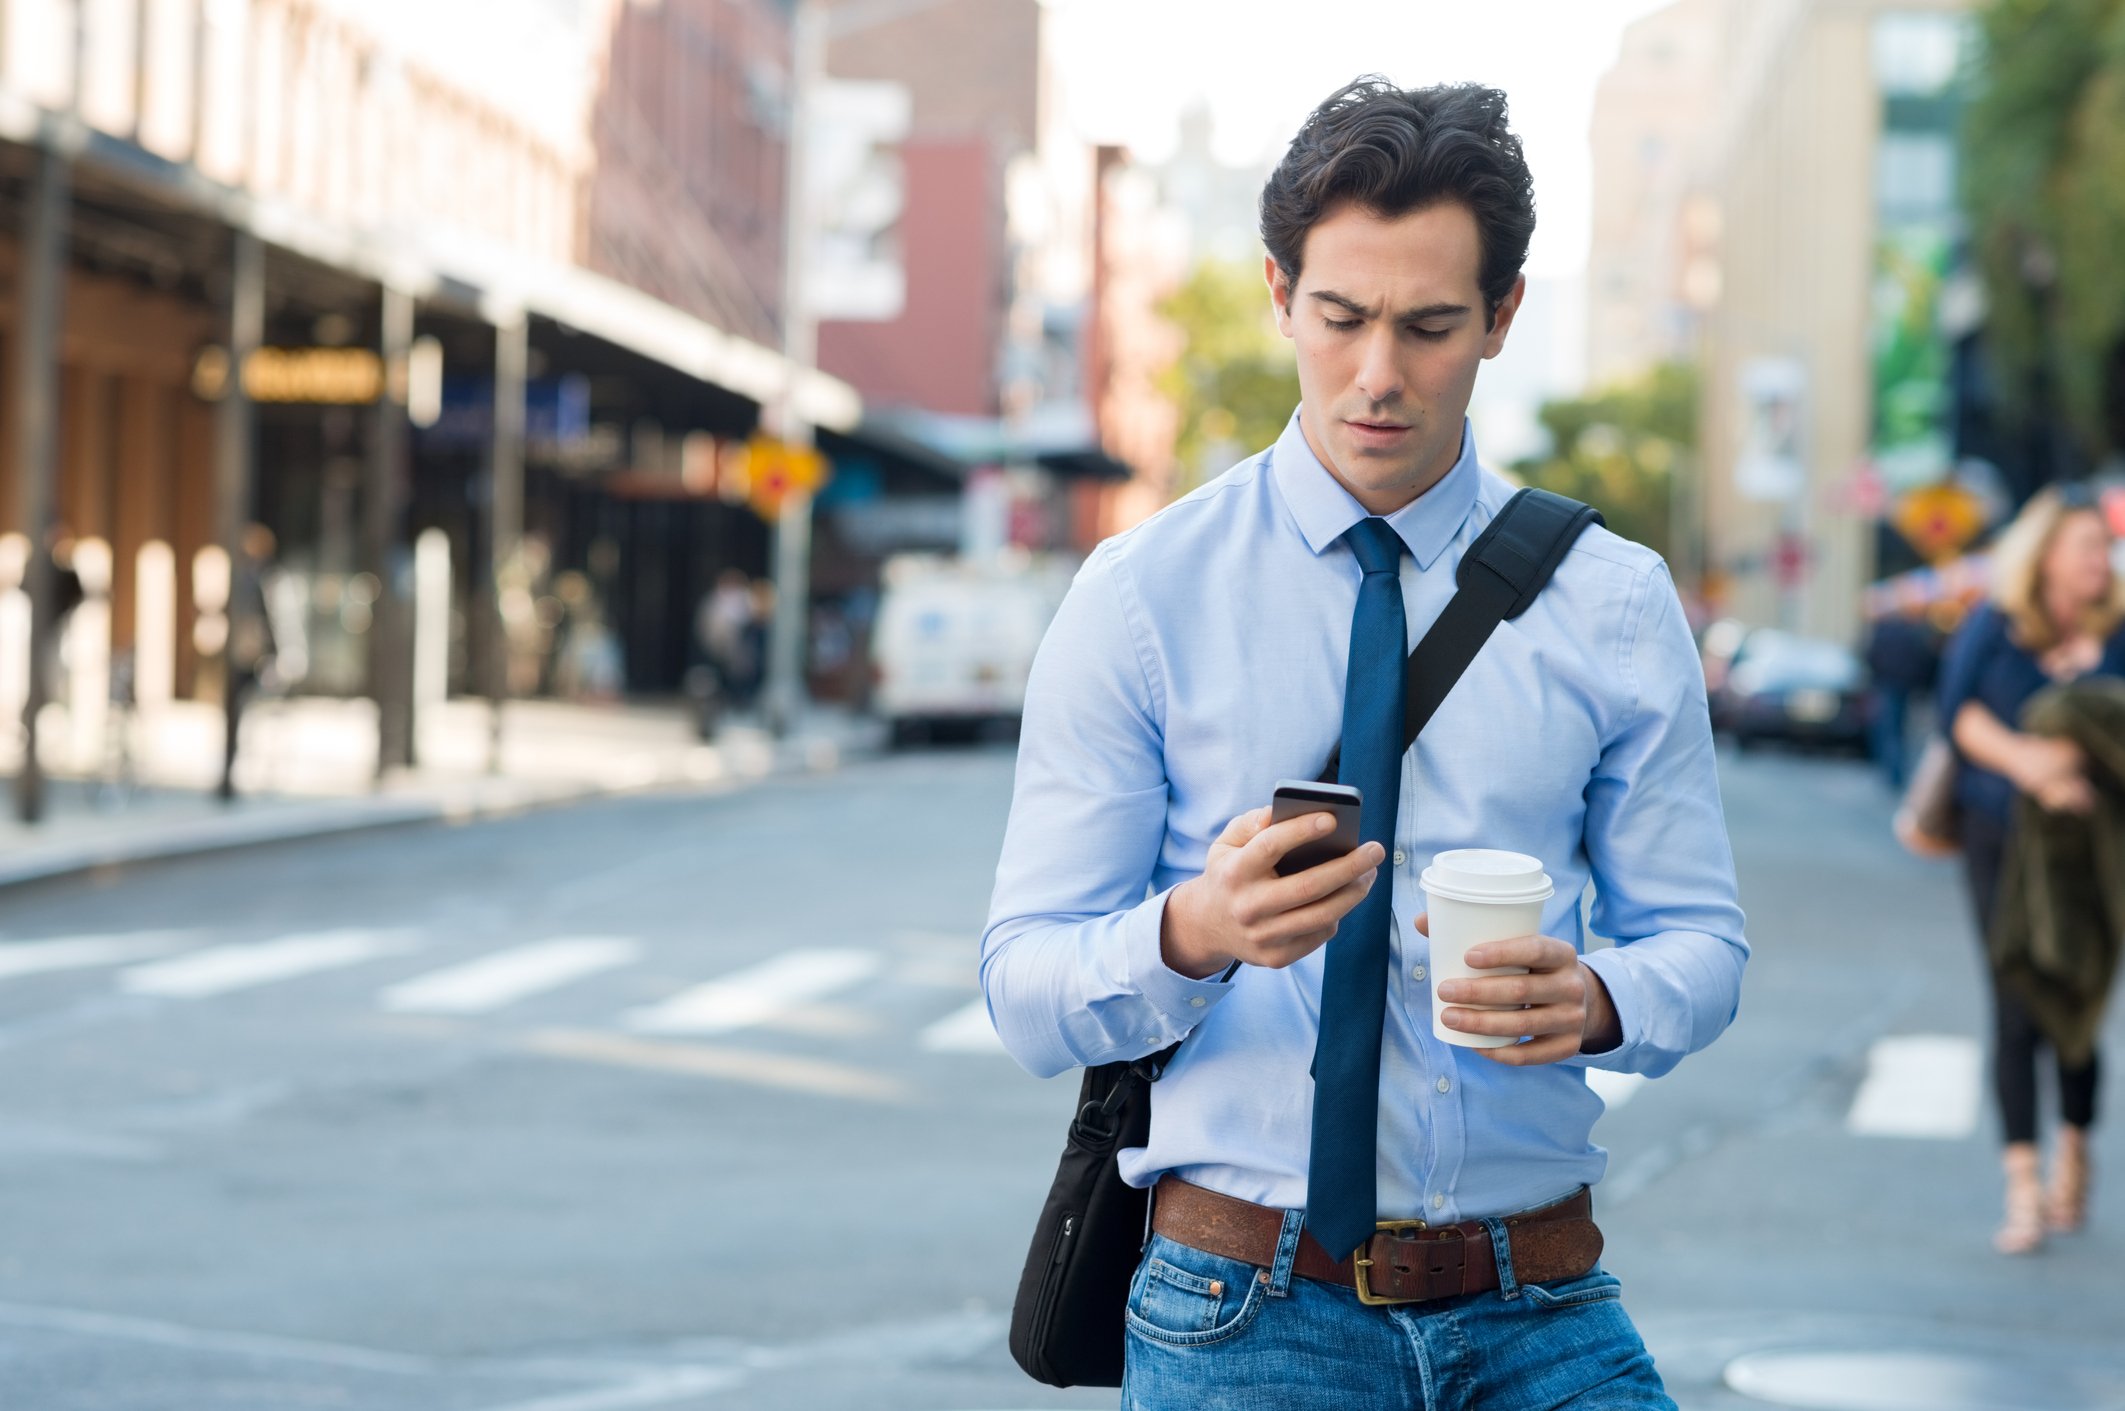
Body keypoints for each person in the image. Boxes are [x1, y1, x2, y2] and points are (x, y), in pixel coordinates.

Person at [982, 79, 1747, 1410]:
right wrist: (1197, 925)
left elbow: (1700, 940)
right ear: (1279, 292)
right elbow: (1024, 980)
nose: (1377, 374)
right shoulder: (1141, 594)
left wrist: (1601, 1000)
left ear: (1501, 317)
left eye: (1430, 325)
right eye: (1339, 318)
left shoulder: (1612, 601)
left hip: (1542, 1302)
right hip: (1241, 1307)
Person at [1936, 482, 2125, 1254]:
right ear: (2045, 552)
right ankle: (2022, 1188)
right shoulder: (1996, 621)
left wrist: (2073, 754)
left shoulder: (2116, 630)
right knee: (2014, 997)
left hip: (2093, 850)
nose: (2098, 560)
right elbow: (1956, 713)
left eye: (2103, 549)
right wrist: (2030, 763)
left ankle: (2072, 1151)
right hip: (1999, 836)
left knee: (2074, 996)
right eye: (2085, 545)